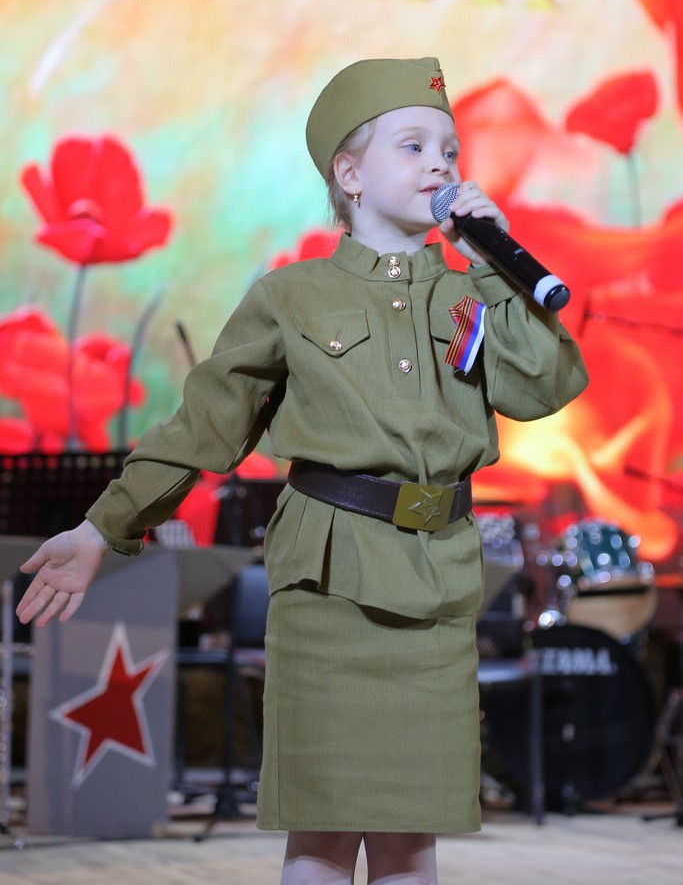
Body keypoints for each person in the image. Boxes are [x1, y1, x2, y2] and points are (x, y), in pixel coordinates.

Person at [17, 57, 588, 884]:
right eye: (413, 146)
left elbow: (545, 385)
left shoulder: (470, 292)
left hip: (437, 591)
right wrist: (103, 527)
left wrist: (497, 264)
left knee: (409, 837)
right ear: (349, 176)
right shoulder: (292, 298)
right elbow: (205, 426)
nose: (439, 165)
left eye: (449, 151)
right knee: (322, 834)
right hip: (331, 588)